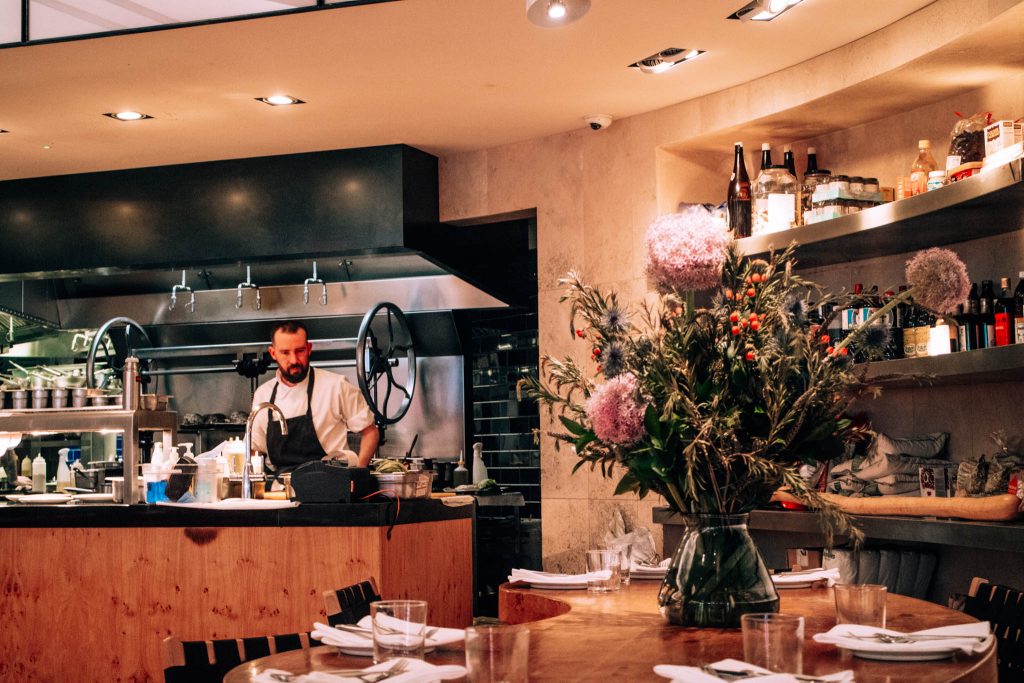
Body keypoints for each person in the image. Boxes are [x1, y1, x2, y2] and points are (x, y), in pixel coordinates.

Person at [250, 320, 379, 471]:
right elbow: (255, 449)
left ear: (309, 348)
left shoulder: (336, 386)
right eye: (285, 353)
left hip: (329, 485)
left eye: (300, 351)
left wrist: (358, 474)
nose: (294, 360)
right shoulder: (263, 394)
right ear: (273, 353)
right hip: (279, 489)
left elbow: (370, 432)